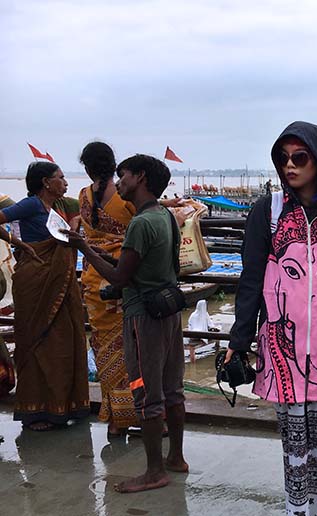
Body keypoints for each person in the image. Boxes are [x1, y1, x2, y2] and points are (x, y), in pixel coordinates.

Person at [225, 122, 317, 515]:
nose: (289, 166)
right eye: (283, 158)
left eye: (299, 157)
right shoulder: (268, 211)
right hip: (283, 356)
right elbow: (251, 279)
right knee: (296, 452)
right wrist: (238, 341)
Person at [64, 154, 187, 493]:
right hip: (169, 311)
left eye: (125, 176)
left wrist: (83, 251)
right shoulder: (165, 216)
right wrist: (96, 250)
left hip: (142, 316)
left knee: (145, 393)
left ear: (141, 178)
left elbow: (120, 276)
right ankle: (175, 457)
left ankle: (154, 471)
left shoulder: (140, 224)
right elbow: (138, 263)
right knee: (173, 390)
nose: (119, 182)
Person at [0, 162, 88, 431]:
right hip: (35, 280)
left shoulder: (60, 207)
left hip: (57, 280)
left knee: (62, 341)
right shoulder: (31, 205)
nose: (65, 182)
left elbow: (86, 206)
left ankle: (61, 406)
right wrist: (17, 243)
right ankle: (36, 411)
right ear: (45, 182)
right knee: (37, 343)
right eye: (60, 178)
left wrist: (75, 222)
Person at [78, 142, 139, 437]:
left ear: (87, 169)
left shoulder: (83, 198)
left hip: (93, 280)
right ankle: (133, 415)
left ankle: (115, 419)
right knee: (131, 352)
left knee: (104, 351)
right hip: (119, 278)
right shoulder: (126, 200)